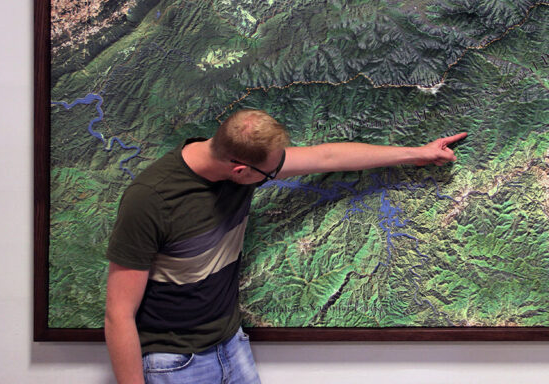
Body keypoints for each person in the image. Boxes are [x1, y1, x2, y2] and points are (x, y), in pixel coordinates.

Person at [105, 108, 467, 383]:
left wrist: (418, 154)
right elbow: (118, 314)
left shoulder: (241, 159)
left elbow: (327, 158)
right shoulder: (150, 200)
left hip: (230, 344)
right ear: (240, 172)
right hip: (174, 362)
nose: (276, 174)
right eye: (269, 174)